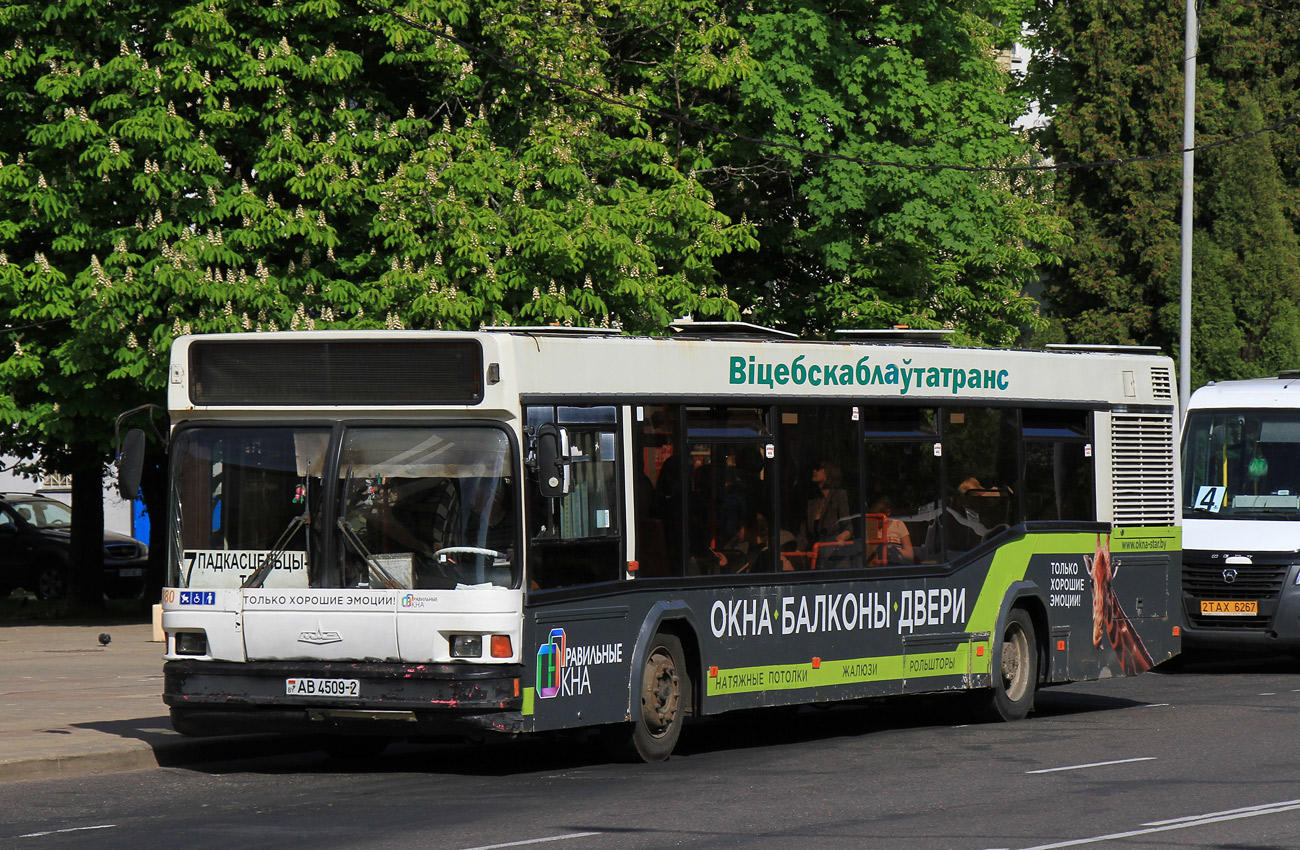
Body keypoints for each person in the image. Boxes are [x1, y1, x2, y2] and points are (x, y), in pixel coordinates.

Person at [868, 497, 914, 565]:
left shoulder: (898, 524)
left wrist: (891, 551)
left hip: (896, 562)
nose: (876, 522)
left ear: (888, 513)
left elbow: (910, 554)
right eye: (873, 519)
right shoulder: (871, 529)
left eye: (878, 518)